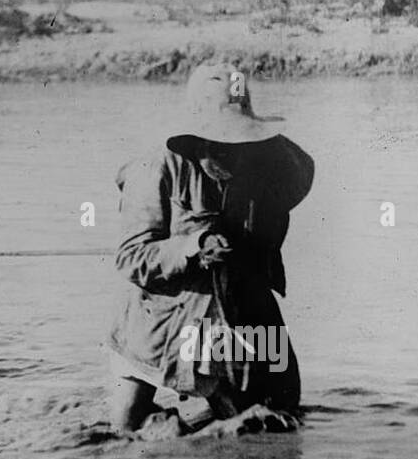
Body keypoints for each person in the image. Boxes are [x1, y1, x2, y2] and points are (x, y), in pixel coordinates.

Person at [107, 63, 315, 433]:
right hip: (158, 321)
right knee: (123, 436)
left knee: (278, 417)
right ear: (193, 136)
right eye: (219, 140)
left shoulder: (261, 164)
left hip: (232, 317)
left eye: (238, 139)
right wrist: (194, 247)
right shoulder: (155, 166)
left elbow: (297, 175)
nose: (230, 150)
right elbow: (131, 256)